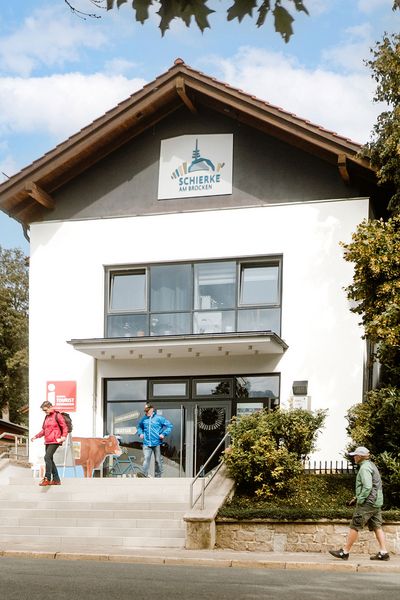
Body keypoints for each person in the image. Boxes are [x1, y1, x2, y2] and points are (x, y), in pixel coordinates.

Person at [329, 446, 390, 561]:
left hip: (368, 502)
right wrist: (356, 498)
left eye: (355, 455)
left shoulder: (364, 468)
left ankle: (345, 552)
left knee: (355, 525)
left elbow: (367, 487)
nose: (354, 457)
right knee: (377, 526)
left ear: (361, 457)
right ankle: (384, 552)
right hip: (376, 502)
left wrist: (360, 499)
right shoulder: (371, 465)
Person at [31, 400, 68, 486]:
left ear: (51, 407)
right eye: (43, 410)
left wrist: (63, 437)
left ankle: (47, 478)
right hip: (47, 441)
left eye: (46, 410)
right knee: (50, 459)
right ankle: (56, 479)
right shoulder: (46, 417)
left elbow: (64, 427)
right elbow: (44, 430)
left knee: (46, 457)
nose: (45, 412)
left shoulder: (57, 415)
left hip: (55, 440)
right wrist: (36, 436)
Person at [136, 403, 173, 477]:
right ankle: (143, 474)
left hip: (156, 443)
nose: (146, 413)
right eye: (145, 411)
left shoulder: (159, 418)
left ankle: (158, 476)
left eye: (147, 411)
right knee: (146, 458)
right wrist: (140, 433)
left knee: (158, 461)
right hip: (146, 443)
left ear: (152, 409)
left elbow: (169, 426)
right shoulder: (144, 419)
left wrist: (163, 434)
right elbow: (139, 427)